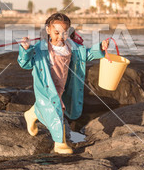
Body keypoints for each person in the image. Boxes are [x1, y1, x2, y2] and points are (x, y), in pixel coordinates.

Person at [18, 13, 109, 154]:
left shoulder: (72, 47)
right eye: (56, 32)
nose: (60, 36)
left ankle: (32, 113)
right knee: (56, 110)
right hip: (46, 86)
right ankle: (60, 143)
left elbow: (87, 55)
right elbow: (26, 63)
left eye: (64, 33)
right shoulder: (39, 48)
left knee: (55, 105)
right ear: (48, 30)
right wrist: (25, 50)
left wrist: (101, 48)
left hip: (61, 84)